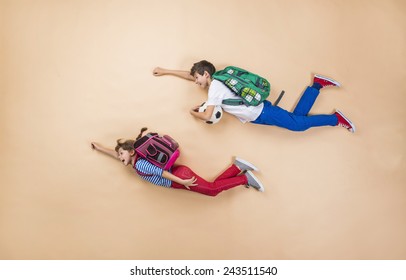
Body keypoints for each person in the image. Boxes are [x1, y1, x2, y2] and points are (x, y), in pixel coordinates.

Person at [153, 60, 356, 133]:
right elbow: (190, 76)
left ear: (206, 74)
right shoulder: (218, 80)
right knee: (297, 120)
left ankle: (335, 119)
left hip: (260, 111)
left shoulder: (214, 87)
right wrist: (166, 71)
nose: (195, 81)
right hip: (257, 114)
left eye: (197, 77)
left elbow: (207, 116)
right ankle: (317, 85)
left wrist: (192, 112)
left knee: (298, 125)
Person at [91, 128, 265, 196]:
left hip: (179, 178)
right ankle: (238, 167)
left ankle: (244, 178)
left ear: (131, 152)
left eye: (121, 154)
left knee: (212, 191)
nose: (119, 157)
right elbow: (116, 155)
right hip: (179, 174)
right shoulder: (137, 160)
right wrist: (100, 148)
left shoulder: (140, 164)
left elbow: (161, 173)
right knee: (212, 187)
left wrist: (182, 182)